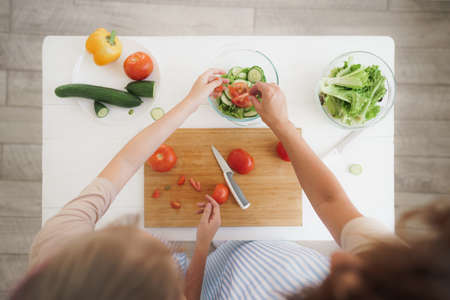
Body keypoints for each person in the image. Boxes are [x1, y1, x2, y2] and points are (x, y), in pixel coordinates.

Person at [10, 69, 450, 300]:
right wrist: (200, 248)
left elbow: (127, 159)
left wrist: (188, 104)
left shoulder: (55, 247)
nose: (335, 257)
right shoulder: (392, 272)